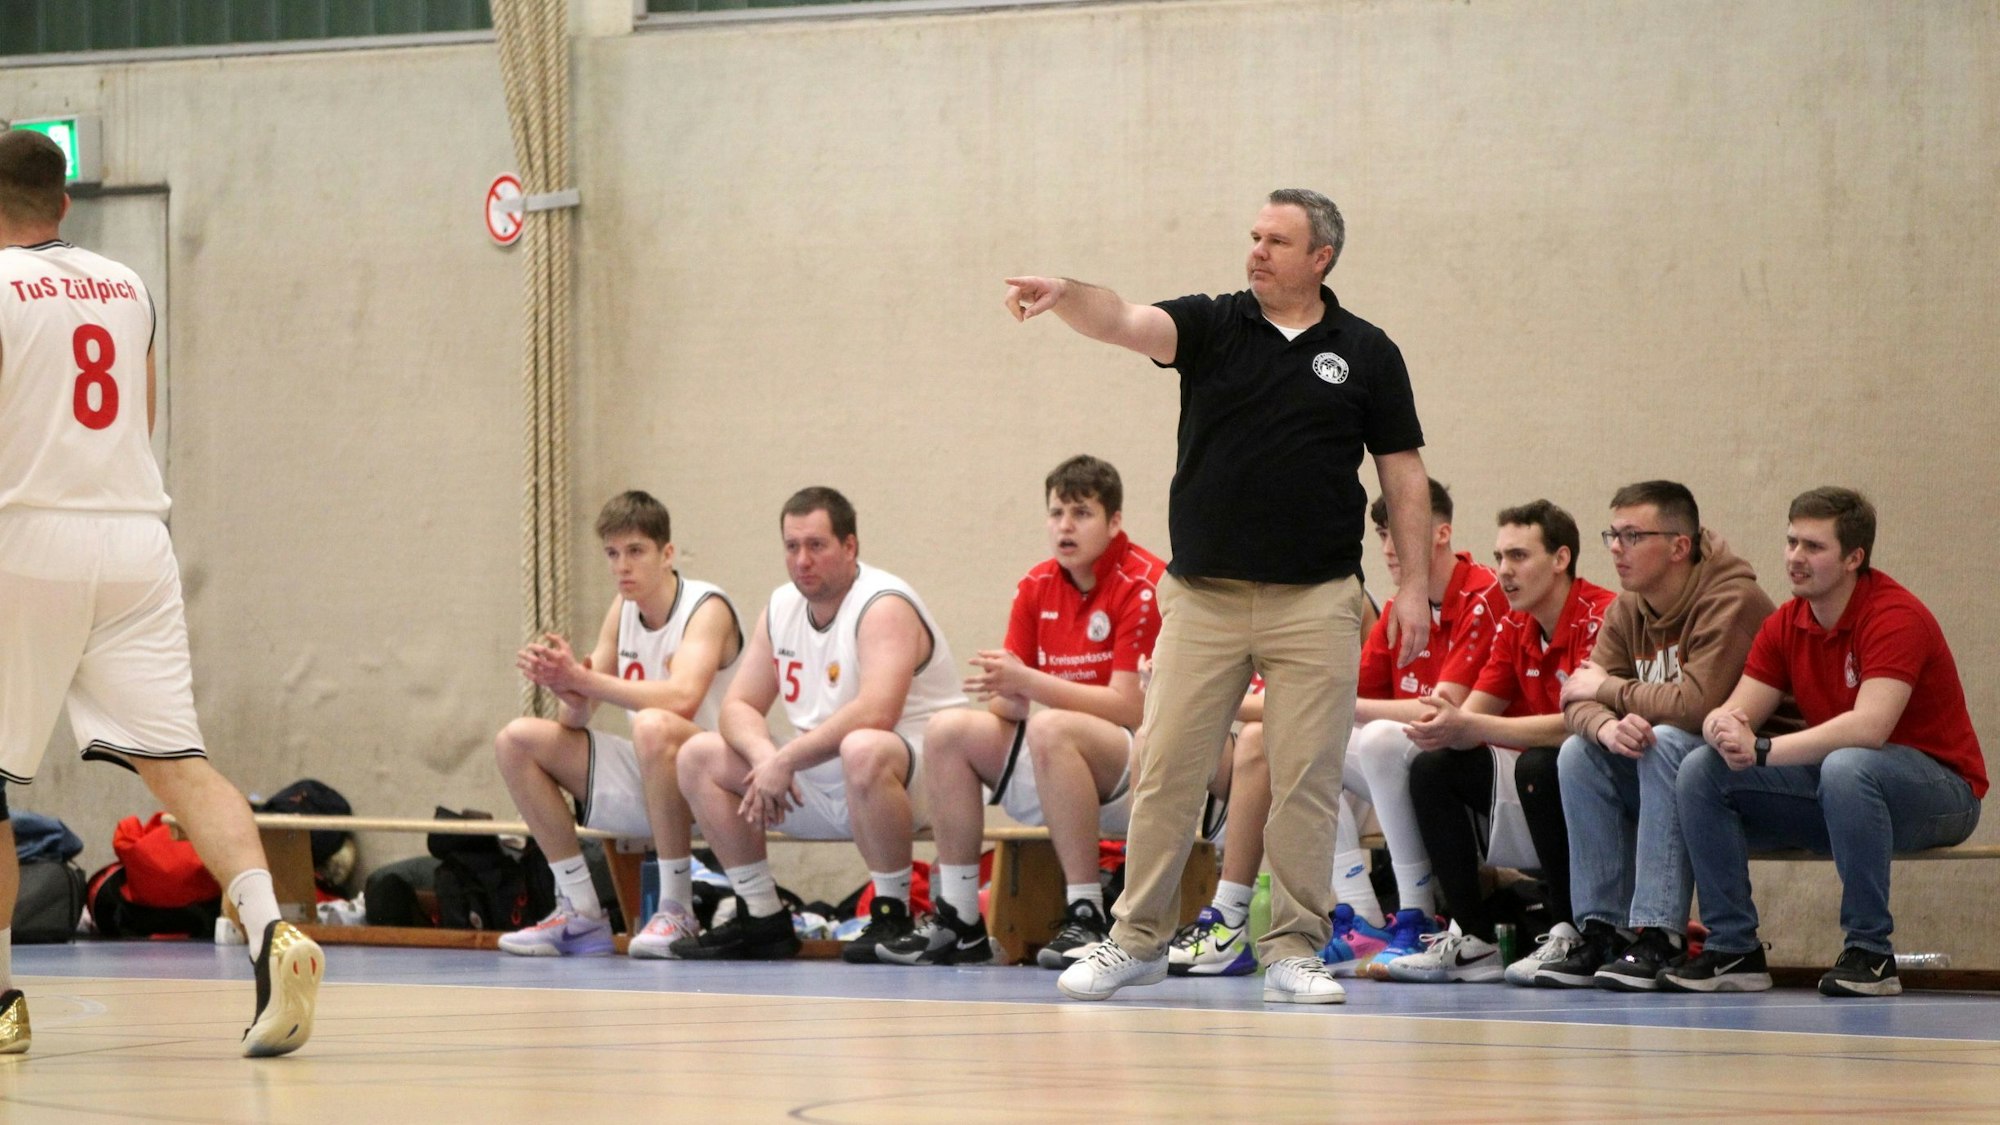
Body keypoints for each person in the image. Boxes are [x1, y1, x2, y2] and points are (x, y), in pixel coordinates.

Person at [1005, 188, 1434, 1005]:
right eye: (1254, 236)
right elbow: (1123, 317)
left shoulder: (1368, 352)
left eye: (1277, 240)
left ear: (1322, 258)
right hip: (1202, 598)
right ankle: (1136, 938)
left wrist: (1411, 587)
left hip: (1316, 599)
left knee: (1305, 775)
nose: (1257, 251)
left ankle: (1292, 949)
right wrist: (1067, 295)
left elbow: (1403, 474)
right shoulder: (1213, 325)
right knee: (1168, 766)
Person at [0, 128, 320, 1056]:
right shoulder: (128, 285)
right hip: (136, 536)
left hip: (25, 531)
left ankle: (4, 1001)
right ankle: (270, 931)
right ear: (65, 203)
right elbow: (134, 417)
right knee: (180, 761)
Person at [1171, 481, 1502, 979]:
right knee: (1303, 740)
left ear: (1441, 533)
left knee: (1378, 736)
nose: (1391, 548)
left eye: (1401, 533)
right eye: (1383, 535)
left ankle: (1416, 913)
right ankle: (1359, 914)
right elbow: (1341, 706)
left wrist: (1234, 704)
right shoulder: (1395, 610)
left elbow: (1441, 714)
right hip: (1403, 765)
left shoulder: (1481, 596)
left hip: (1473, 770)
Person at [1664, 487, 1983, 997]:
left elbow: (1868, 728)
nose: (1795, 557)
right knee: (1702, 769)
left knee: (1848, 765)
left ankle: (1870, 952)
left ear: (1854, 557)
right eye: (1791, 542)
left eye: (1813, 547)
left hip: (1940, 795)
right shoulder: (1785, 623)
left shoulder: (1895, 616)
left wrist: (1762, 749)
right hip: (1845, 795)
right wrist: (1719, 727)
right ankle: (1733, 949)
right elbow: (1736, 711)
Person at [882, 456, 1169, 968]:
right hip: (1055, 754)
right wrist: (1006, 690)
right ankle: (961, 919)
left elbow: (1131, 706)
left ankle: (1087, 909)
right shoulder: (1036, 585)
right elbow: (1008, 702)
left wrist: (1030, 683)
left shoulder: (1143, 582)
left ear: (1115, 522)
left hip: (1136, 766)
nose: (1065, 526)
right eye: (1056, 512)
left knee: (1051, 725)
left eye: (1081, 513)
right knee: (948, 729)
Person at [671, 487, 966, 963]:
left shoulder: (883, 602)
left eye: (816, 545)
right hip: (822, 769)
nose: (802, 560)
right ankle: (761, 915)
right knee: (697, 755)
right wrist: (766, 756)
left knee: (864, 746)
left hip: (917, 776)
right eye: (792, 546)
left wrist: (785, 758)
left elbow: (877, 710)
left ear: (850, 547)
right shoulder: (782, 607)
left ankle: (892, 911)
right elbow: (738, 705)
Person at [1543, 481, 1781, 989]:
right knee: (1577, 754)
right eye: (1612, 534)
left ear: (1679, 546)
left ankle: (1660, 932)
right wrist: (1606, 725)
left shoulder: (1731, 599)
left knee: (1668, 743)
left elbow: (1696, 708)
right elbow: (1577, 698)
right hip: (1676, 779)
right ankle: (1604, 930)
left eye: (1632, 535)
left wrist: (1614, 691)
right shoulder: (1629, 608)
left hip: (1752, 780)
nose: (1614, 548)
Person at [493, 491, 742, 959]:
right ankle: (580, 911)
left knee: (653, 724)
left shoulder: (707, 607)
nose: (622, 566)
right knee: (517, 739)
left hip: (716, 772)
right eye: (612, 553)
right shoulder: (622, 609)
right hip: (654, 767)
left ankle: (677, 908)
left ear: (667, 554)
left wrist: (584, 679)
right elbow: (580, 714)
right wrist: (568, 691)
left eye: (635, 551)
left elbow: (684, 697)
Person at [1387, 500, 1614, 985]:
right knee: (1433, 767)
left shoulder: (1601, 615)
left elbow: (1578, 723)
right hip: (1539, 777)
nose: (1504, 572)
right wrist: (1447, 726)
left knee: (1544, 762)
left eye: (1518, 556)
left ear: (1561, 559)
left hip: (1599, 776)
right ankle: (1473, 937)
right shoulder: (1515, 625)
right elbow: (1474, 716)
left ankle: (1571, 929)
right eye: (1500, 557)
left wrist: (1474, 728)